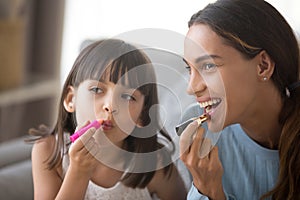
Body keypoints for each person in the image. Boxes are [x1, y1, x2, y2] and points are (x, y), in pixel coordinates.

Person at [29, 39, 187, 200]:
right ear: (71, 100)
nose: (111, 106)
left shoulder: (154, 164)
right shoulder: (47, 150)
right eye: (97, 89)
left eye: (127, 96)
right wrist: (79, 171)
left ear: (142, 115)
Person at [179, 0, 300, 199]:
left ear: (262, 65)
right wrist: (206, 190)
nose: (191, 88)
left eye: (208, 66)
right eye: (189, 69)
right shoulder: (202, 133)